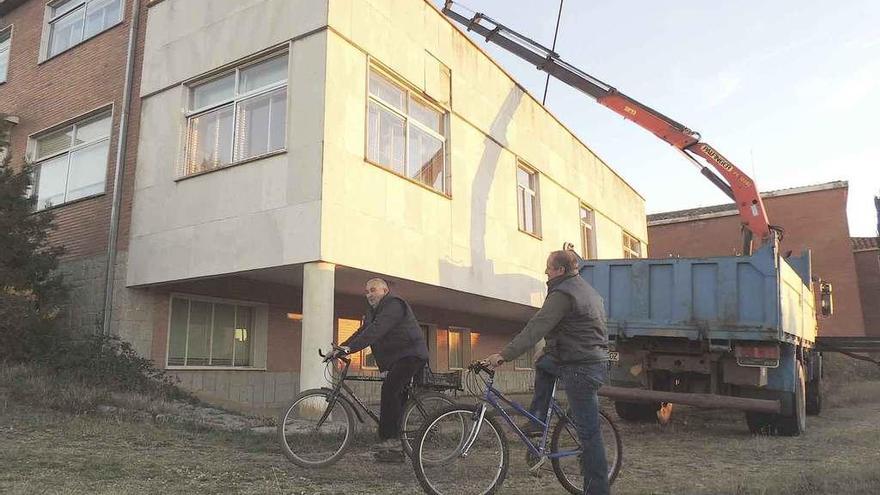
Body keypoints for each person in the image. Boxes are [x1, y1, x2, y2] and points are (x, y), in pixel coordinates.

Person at [483, 250, 610, 495]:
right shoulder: (586, 290)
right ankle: (538, 419)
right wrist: (549, 350)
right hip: (586, 360)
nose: (545, 272)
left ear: (560, 270)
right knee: (543, 364)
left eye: (548, 268)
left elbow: (537, 326)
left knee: (589, 435)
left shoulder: (563, 293)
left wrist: (504, 355)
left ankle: (598, 490)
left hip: (579, 367)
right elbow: (575, 328)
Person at [330, 278, 429, 463]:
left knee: (390, 389)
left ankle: (390, 440)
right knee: (396, 398)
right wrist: (340, 348)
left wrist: (350, 349)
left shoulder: (394, 305)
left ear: (385, 290)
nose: (369, 294)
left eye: (373, 290)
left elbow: (376, 330)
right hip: (398, 358)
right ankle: (394, 452)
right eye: (367, 291)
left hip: (411, 355)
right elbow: (363, 331)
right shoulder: (373, 311)